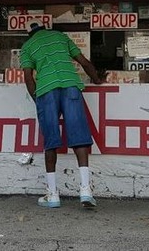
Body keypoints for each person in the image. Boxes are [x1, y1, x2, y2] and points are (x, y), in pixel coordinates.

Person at [20, 22, 102, 209]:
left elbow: (28, 78)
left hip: (46, 91)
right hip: (71, 86)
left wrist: (37, 100)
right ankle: (85, 191)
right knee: (80, 137)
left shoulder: (27, 46)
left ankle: (53, 194)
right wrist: (97, 79)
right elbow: (85, 63)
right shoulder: (60, 36)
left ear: (29, 34)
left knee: (51, 140)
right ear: (45, 28)